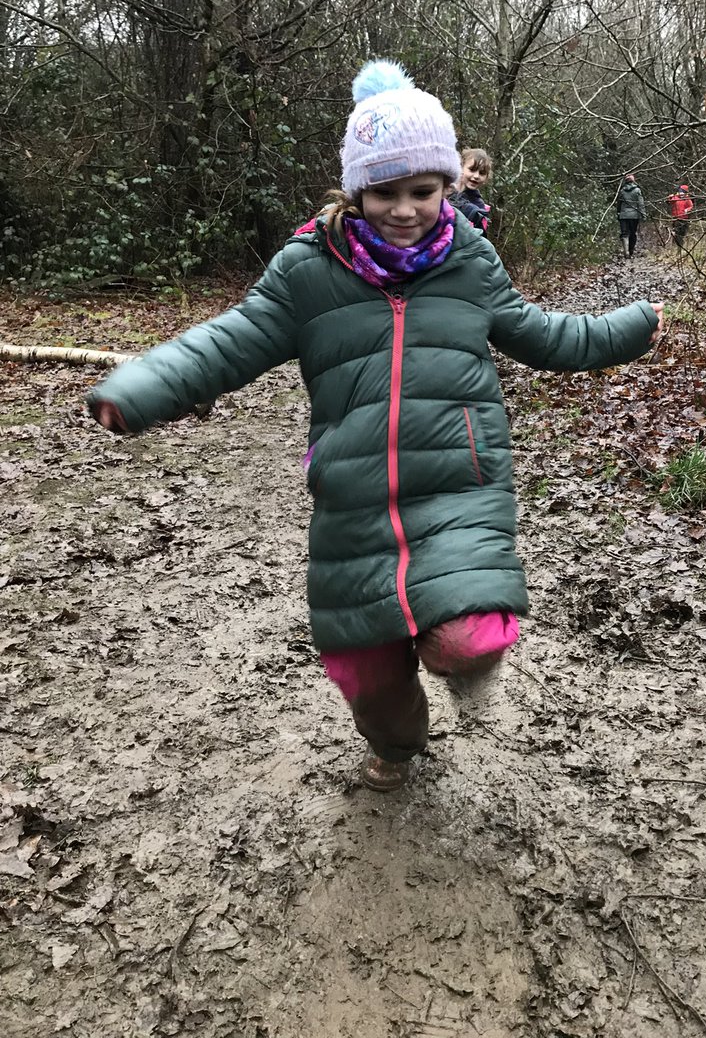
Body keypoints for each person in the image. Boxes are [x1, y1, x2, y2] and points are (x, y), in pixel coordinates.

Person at [87, 60, 665, 792]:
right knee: (365, 674)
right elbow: (229, 340)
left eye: (421, 190)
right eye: (384, 191)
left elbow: (545, 335)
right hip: (353, 503)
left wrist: (633, 325)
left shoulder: (471, 262)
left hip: (459, 488)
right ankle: (397, 747)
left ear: (448, 186)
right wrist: (139, 390)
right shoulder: (307, 272)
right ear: (354, 190)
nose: (404, 208)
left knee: (468, 634)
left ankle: (456, 658)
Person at [449, 147, 492, 234]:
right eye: (472, 170)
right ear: (460, 168)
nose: (476, 176)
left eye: (482, 173)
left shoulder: (478, 206)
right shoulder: (445, 188)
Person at [616, 173, 646, 258]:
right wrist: (643, 214)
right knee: (633, 233)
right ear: (633, 181)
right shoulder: (637, 190)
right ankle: (631, 250)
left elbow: (619, 203)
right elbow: (641, 203)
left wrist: (618, 213)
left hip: (623, 215)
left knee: (624, 233)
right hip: (634, 215)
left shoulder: (622, 191)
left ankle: (626, 251)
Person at [667, 184, 694, 248]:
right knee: (676, 232)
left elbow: (691, 206)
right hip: (676, 218)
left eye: (683, 192)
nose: (681, 194)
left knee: (682, 232)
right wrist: (669, 197)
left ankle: (680, 245)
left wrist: (687, 210)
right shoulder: (675, 198)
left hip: (684, 219)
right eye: (680, 192)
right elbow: (669, 201)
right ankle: (677, 245)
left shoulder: (687, 199)